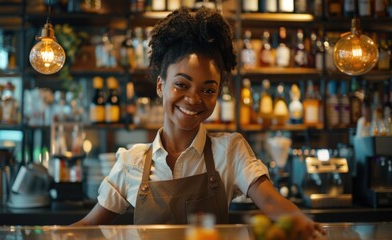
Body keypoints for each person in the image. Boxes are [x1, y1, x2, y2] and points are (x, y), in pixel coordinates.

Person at [72, 6, 324, 239]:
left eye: (208, 90)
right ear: (161, 85)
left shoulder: (230, 150)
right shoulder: (131, 162)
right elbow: (88, 227)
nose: (193, 99)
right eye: (181, 84)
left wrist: (298, 220)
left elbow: (271, 202)